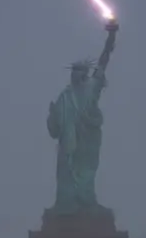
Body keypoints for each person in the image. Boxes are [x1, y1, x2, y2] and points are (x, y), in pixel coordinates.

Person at [47, 19, 119, 213]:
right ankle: (65, 206)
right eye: (74, 72)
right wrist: (52, 115)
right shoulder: (65, 96)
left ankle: (87, 203)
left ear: (85, 73)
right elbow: (54, 130)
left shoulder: (91, 88)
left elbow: (103, 61)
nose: (75, 75)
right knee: (66, 176)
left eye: (80, 71)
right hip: (69, 144)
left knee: (87, 174)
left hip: (87, 142)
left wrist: (111, 38)